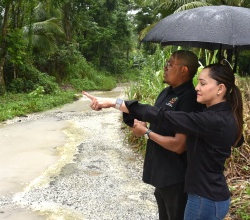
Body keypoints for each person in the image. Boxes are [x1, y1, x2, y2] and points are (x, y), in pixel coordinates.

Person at [83, 63, 244, 220]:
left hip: (204, 199)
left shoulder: (212, 120)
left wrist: (114, 103)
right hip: (211, 195)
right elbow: (237, 141)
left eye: (202, 83)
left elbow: (163, 116)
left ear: (220, 89)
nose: (197, 88)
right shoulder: (225, 114)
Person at [124, 50, 203, 220]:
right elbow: (157, 122)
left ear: (184, 70)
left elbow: (179, 145)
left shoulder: (189, 99)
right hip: (160, 174)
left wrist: (146, 132)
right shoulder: (166, 92)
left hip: (175, 178)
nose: (165, 67)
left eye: (170, 64)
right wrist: (142, 124)